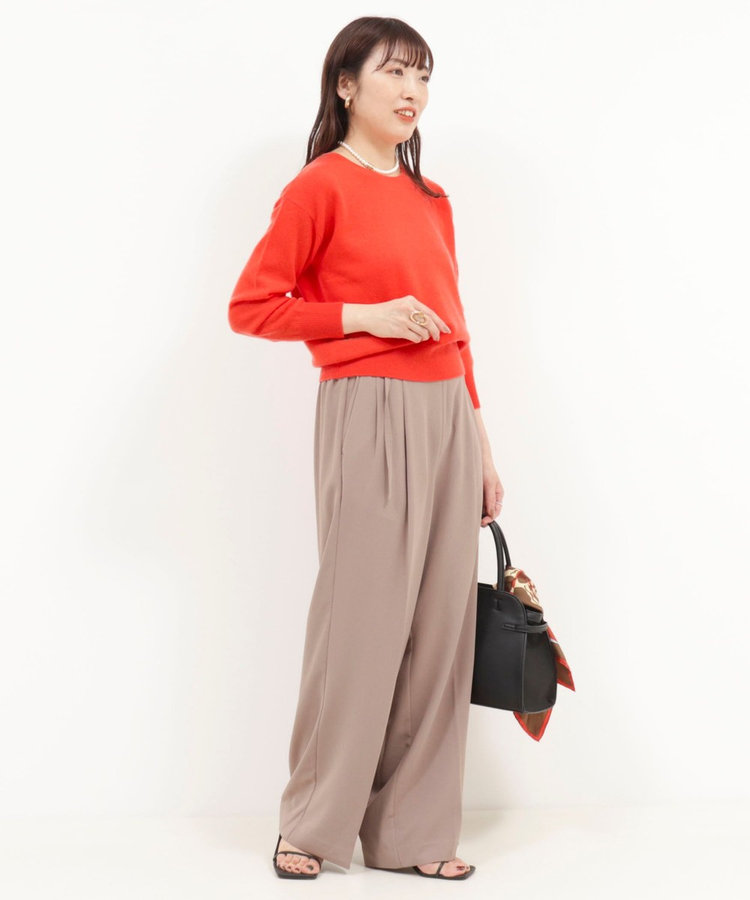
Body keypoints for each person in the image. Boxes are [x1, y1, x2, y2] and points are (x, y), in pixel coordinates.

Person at [228, 16, 504, 881]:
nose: (412, 91)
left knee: (440, 632)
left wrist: (480, 440)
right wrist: (365, 316)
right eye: (394, 73)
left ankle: (411, 836)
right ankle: (311, 826)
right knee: (360, 623)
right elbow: (253, 306)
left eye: (423, 76)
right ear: (346, 85)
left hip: (447, 416)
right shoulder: (320, 187)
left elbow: (456, 327)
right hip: (369, 408)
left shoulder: (432, 200)